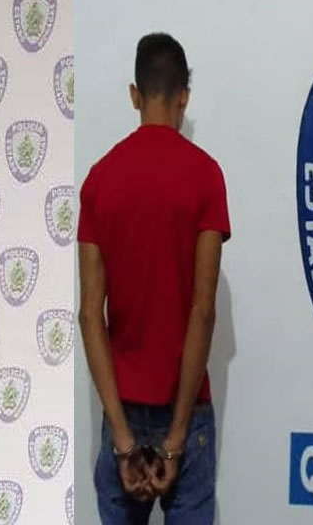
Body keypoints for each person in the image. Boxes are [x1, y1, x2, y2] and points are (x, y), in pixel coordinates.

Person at [78, 33, 230, 525]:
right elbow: (203, 311)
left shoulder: (99, 180)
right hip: (187, 411)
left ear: (134, 95)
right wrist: (177, 437)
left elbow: (89, 315)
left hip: (122, 411)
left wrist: (124, 442)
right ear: (184, 95)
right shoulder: (206, 177)